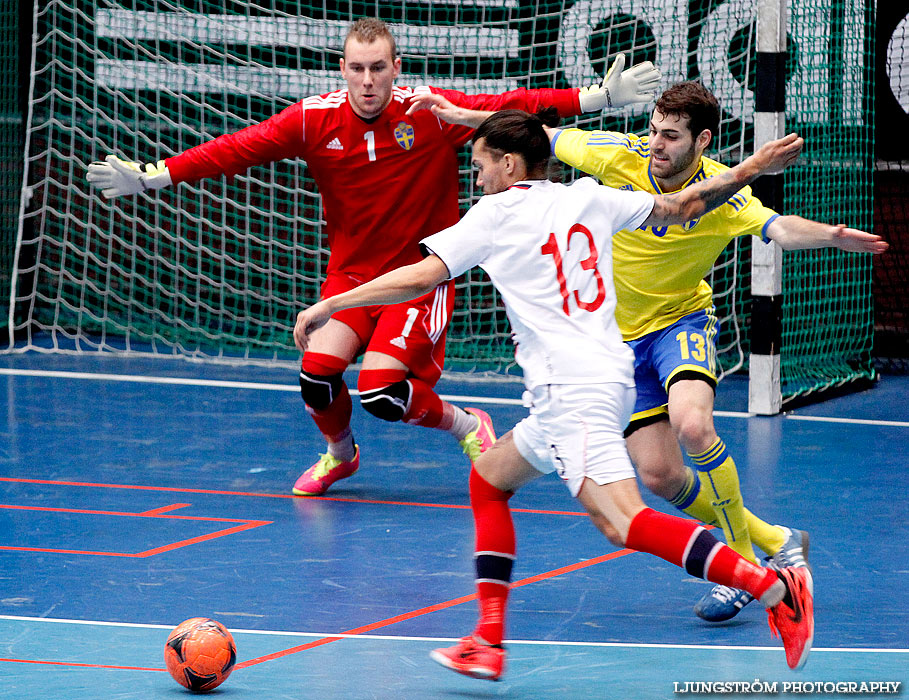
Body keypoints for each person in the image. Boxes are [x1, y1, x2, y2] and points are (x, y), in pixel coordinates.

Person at [292, 109, 815, 680]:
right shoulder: (589, 196)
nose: (477, 178)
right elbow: (686, 205)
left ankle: (770, 587)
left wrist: (330, 305)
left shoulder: (495, 214)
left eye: (481, 165)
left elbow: (421, 277)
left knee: (624, 522)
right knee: (488, 479)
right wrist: (753, 167)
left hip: (575, 394)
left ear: (510, 164)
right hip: (585, 385)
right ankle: (488, 639)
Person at [85, 18, 662, 497]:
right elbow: (237, 149)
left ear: (395, 68)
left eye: (378, 68)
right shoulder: (313, 119)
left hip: (420, 276)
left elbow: (506, 109)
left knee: (382, 392)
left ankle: (467, 423)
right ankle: (340, 454)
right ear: (343, 70)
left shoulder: (427, 112)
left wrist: (596, 99)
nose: (368, 81)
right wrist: (155, 176)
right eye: (357, 69)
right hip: (353, 278)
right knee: (316, 374)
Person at [546, 81, 888, 621]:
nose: (656, 144)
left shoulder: (723, 195)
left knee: (694, 427)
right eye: (654, 130)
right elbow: (537, 135)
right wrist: (458, 115)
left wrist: (832, 235)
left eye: (671, 136)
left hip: (679, 323)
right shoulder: (617, 156)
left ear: (702, 140)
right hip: (614, 340)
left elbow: (779, 227)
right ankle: (778, 538)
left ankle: (742, 566)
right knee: (658, 475)